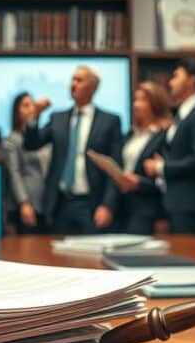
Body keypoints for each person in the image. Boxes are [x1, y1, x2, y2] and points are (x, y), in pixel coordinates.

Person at [24, 65, 122, 235]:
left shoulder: (110, 121)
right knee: (55, 258)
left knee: (90, 258)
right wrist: (34, 117)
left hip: (92, 203)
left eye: (79, 80)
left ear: (93, 88)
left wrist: (108, 205)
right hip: (60, 203)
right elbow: (32, 144)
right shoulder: (58, 118)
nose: (73, 84)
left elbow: (115, 168)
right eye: (72, 79)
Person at [144, 58, 195, 234]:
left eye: (176, 76)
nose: (170, 82)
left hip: (189, 202)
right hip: (175, 200)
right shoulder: (182, 113)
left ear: (192, 80)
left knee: (188, 255)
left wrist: (162, 166)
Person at [114, 81, 172, 234]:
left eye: (142, 100)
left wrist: (139, 183)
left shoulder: (164, 135)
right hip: (124, 205)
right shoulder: (131, 134)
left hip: (148, 207)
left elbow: (166, 177)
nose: (136, 105)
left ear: (155, 104)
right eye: (135, 100)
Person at [3, 92, 52, 234]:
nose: (32, 108)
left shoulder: (42, 137)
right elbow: (15, 173)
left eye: (33, 104)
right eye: (26, 105)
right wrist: (24, 203)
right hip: (25, 205)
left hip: (44, 203)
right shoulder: (12, 139)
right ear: (16, 112)